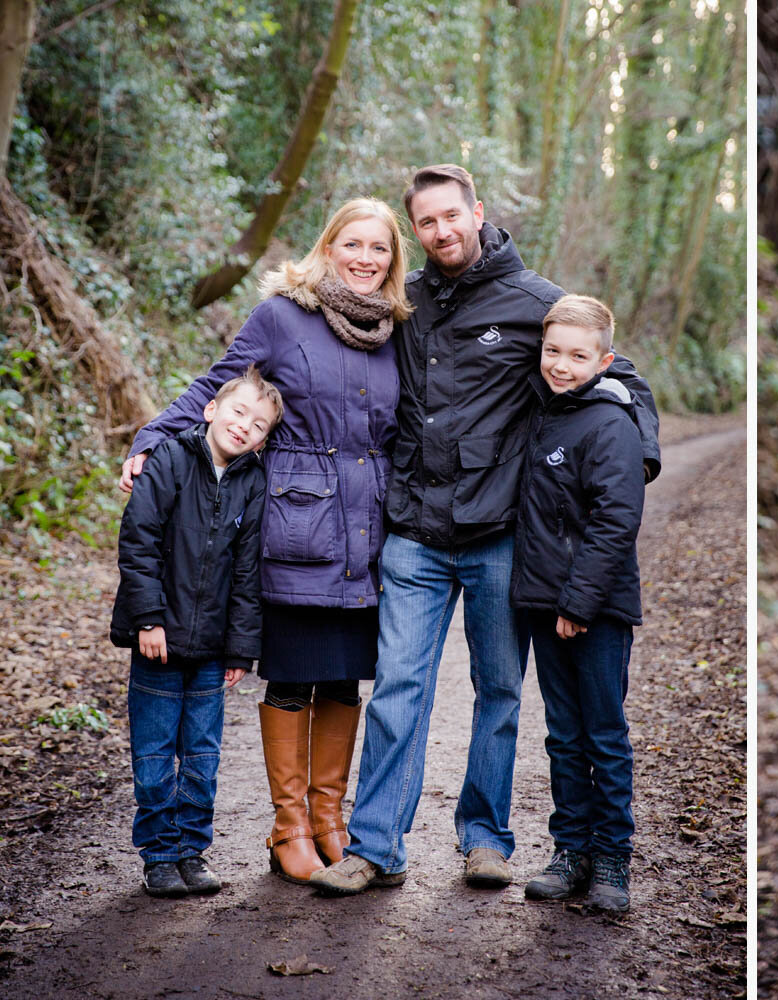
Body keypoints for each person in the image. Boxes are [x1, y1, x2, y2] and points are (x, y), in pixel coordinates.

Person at [310, 164, 660, 896]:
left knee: (500, 690)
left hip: (500, 534)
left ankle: (485, 839)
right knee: (400, 687)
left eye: (451, 216)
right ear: (417, 231)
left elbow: (621, 377)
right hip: (412, 530)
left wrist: (640, 452)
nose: (441, 232)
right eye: (426, 223)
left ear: (477, 212)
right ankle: (375, 847)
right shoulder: (404, 305)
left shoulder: (536, 302)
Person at [120, 198, 410, 883]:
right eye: (353, 244)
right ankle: (288, 829)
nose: (365, 259)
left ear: (394, 262)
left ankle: (330, 819)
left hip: (368, 533)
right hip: (296, 527)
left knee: (344, 675)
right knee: (295, 671)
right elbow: (217, 390)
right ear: (329, 246)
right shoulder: (283, 315)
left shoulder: (400, 330)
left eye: (380, 249)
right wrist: (151, 439)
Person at [111, 368, 282, 897]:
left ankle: (192, 849)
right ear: (210, 410)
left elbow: (249, 574)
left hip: (211, 649)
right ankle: (159, 854)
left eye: (258, 425)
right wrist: (148, 619)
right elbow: (138, 542)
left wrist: (240, 649)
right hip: (157, 643)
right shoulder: (168, 461)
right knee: (156, 753)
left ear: (263, 440)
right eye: (237, 412)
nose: (244, 427)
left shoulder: (253, 483)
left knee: (203, 755)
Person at [510, 295, 645, 912]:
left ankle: (613, 857)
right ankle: (572, 849)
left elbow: (617, 520)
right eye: (553, 351)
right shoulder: (541, 413)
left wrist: (580, 602)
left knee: (603, 732)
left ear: (605, 360)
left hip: (596, 608)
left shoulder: (611, 423)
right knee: (562, 734)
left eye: (577, 355)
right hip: (543, 602)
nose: (561, 365)